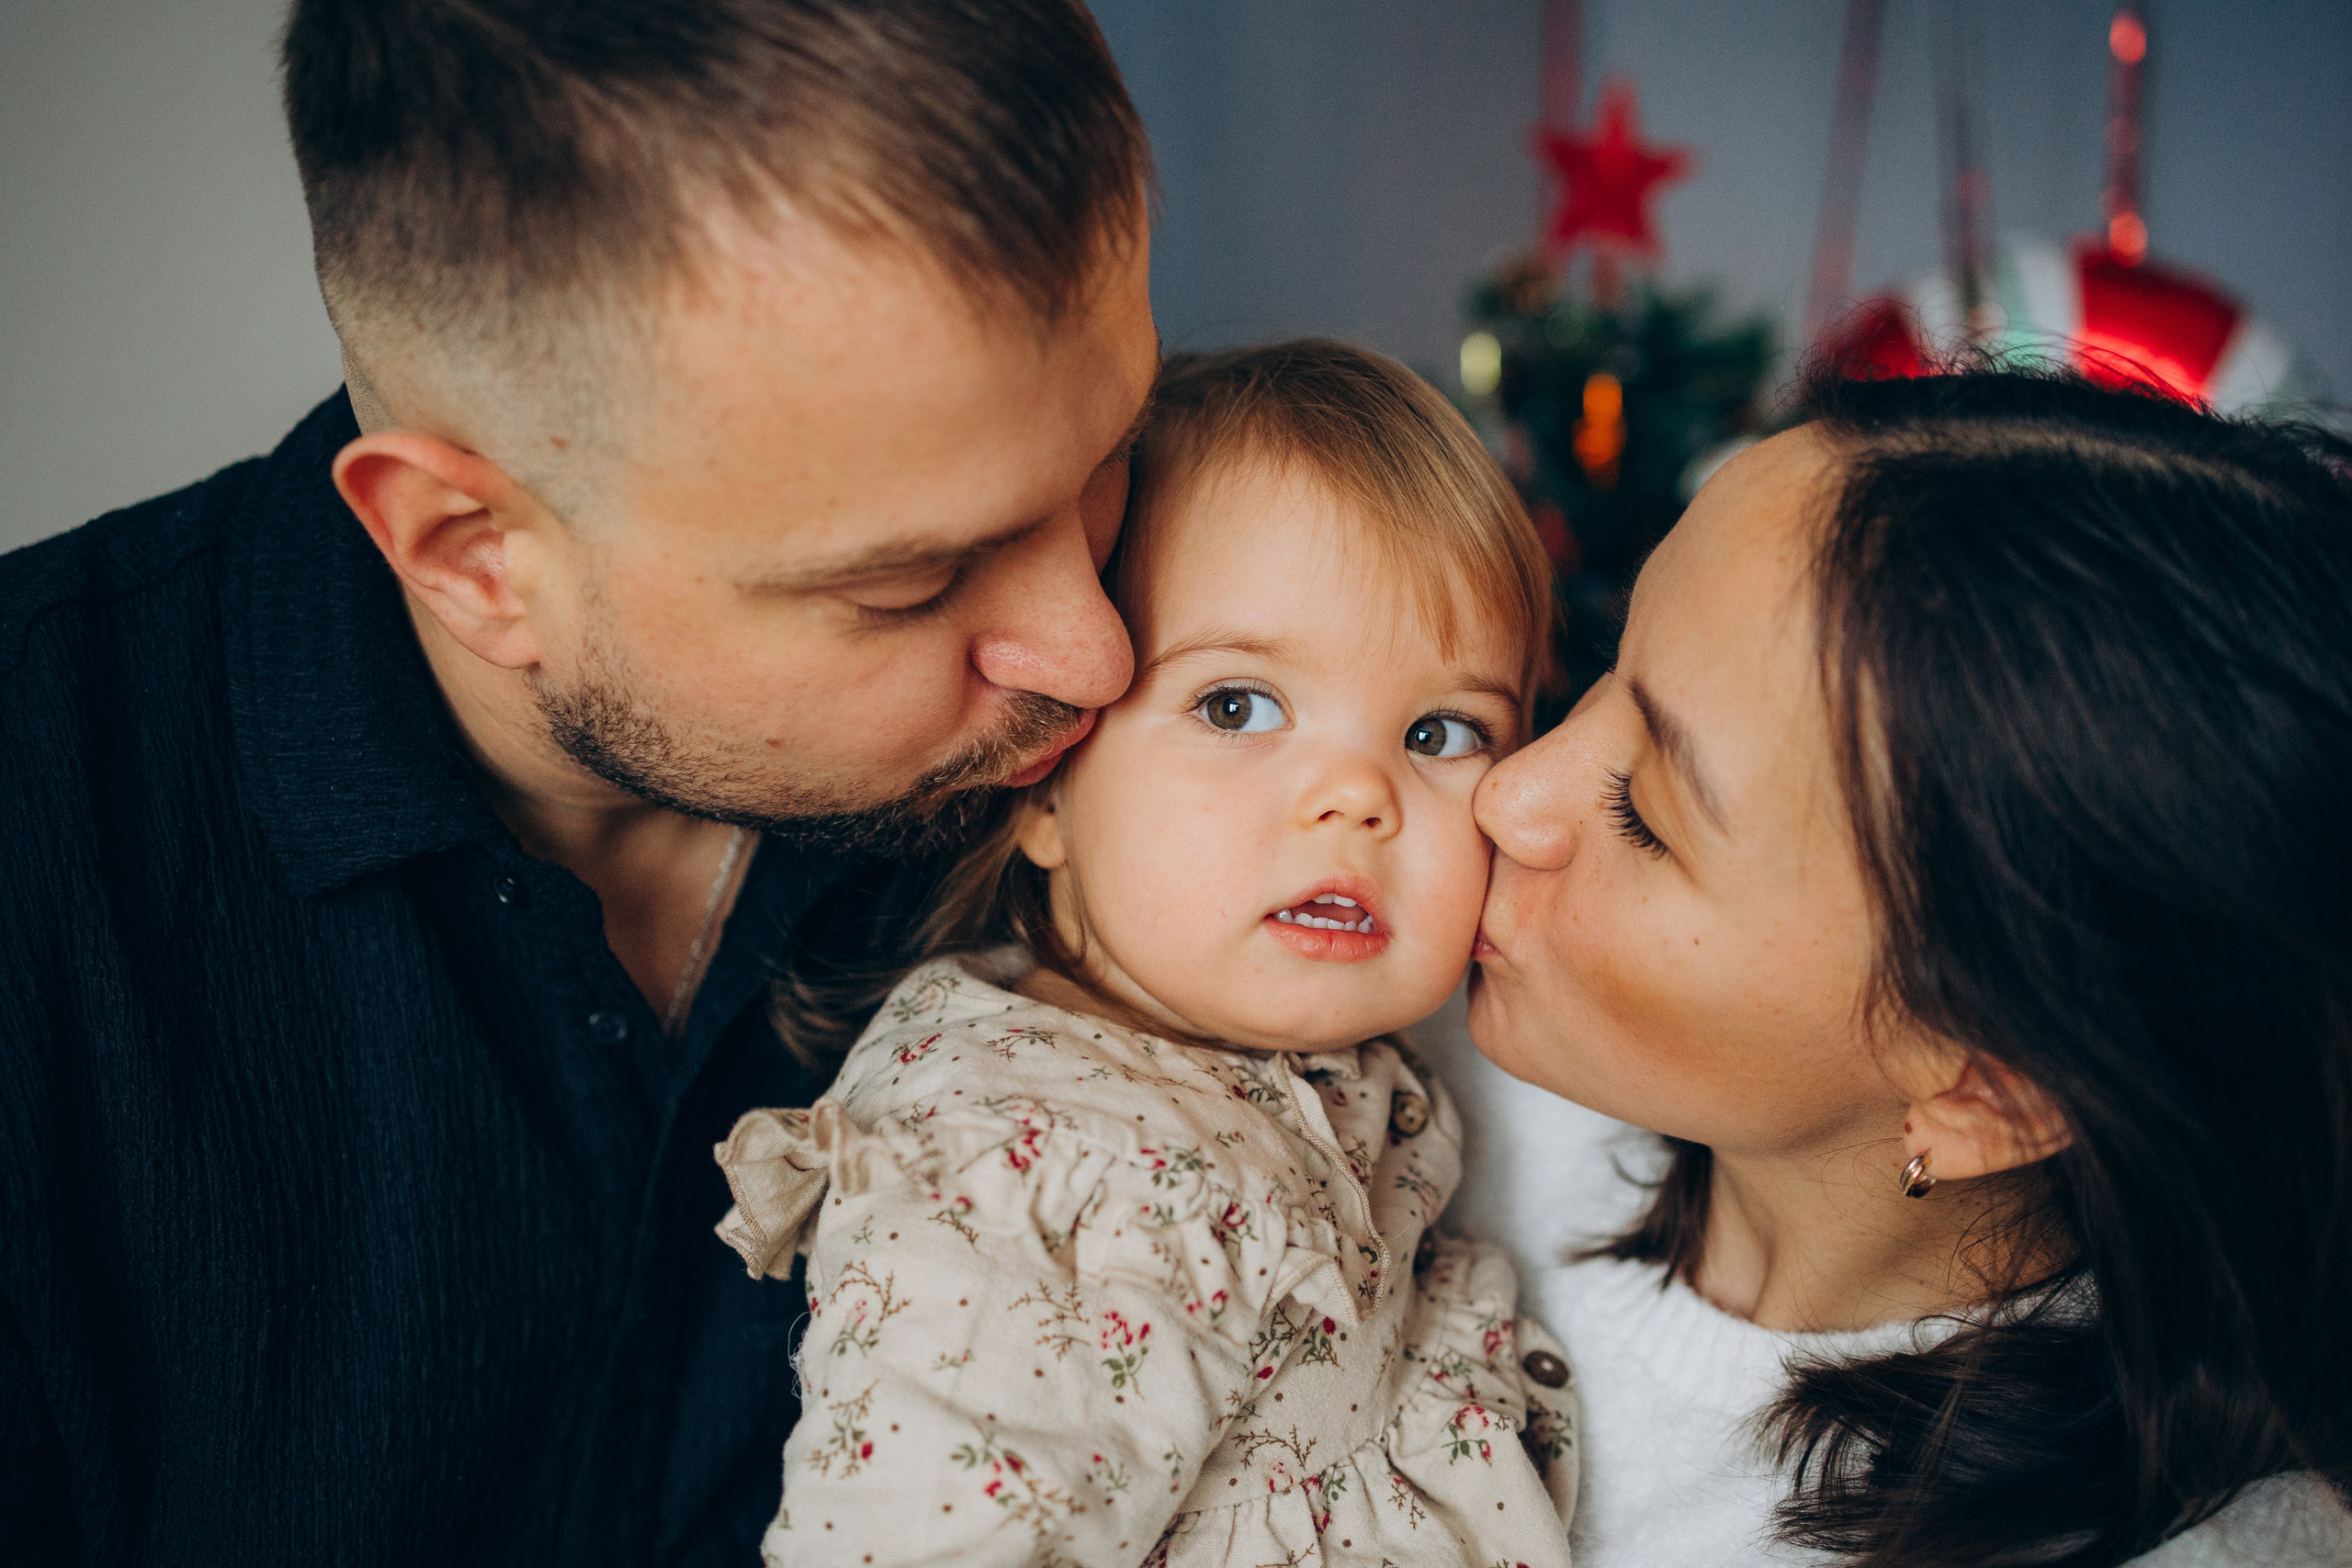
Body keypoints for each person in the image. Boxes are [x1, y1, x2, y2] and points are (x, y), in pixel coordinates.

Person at [0, 4, 1155, 1564]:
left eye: (1104, 460)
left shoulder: (1179, 725)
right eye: (917, 578)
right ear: (474, 559)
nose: (1096, 653)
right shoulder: (45, 836)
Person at [1463, 367, 2352, 1566]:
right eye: (1605, 666)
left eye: (1648, 816)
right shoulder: (1393, 1092)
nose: (1505, 791)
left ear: (1988, 1087)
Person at [711, 343, 1577, 1566]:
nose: (1356, 797)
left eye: (1440, 731)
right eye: (1238, 706)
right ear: (1047, 789)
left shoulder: (1358, 1056)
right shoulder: (1030, 1168)